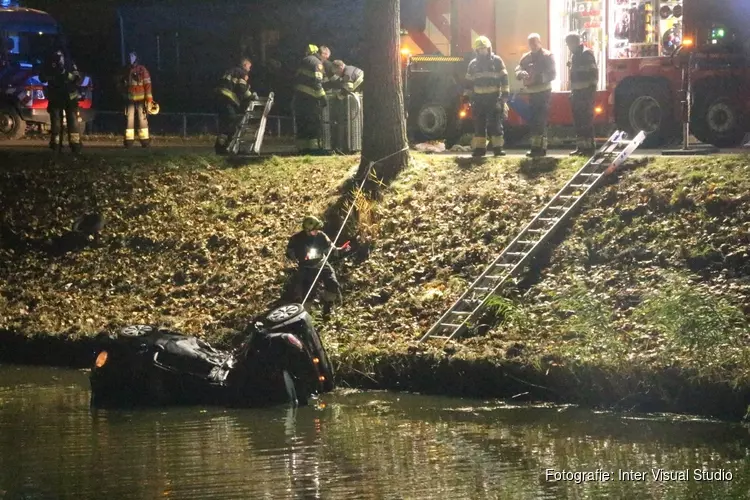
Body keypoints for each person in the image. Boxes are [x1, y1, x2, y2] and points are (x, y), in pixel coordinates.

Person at [285, 216, 350, 317]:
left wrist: (340, 250)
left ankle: (328, 307)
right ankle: (306, 316)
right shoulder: (296, 239)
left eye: (317, 229)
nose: (317, 231)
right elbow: (289, 252)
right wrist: (297, 258)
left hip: (321, 263)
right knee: (308, 292)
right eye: (314, 230)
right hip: (306, 267)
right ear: (307, 230)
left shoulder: (321, 236)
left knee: (332, 282)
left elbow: (330, 248)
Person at [465, 35, 510, 158]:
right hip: (478, 99)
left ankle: (498, 148)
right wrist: (466, 97)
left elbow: (504, 78)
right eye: (480, 49)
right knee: (479, 124)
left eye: (484, 48)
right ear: (476, 50)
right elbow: (469, 82)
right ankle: (480, 149)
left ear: (488, 48)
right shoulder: (473, 64)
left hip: (493, 98)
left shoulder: (497, 61)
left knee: (495, 124)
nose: (482, 51)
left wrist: (504, 96)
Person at [515, 33, 556, 158]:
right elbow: (518, 68)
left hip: (544, 92)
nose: (533, 45)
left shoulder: (547, 56)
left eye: (535, 42)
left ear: (539, 42)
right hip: (532, 93)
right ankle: (535, 147)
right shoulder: (526, 57)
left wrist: (537, 78)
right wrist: (521, 73)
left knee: (540, 120)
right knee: (534, 120)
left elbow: (553, 74)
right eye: (530, 43)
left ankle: (541, 148)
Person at [39, 48, 82, 154]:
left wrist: (65, 74)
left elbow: (77, 78)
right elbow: (43, 77)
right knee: (61, 122)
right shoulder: (53, 63)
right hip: (60, 97)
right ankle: (62, 145)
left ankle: (68, 145)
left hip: (64, 97)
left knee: (66, 121)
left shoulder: (68, 63)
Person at [565, 32, 599, 157]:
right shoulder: (574, 56)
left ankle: (589, 148)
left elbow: (594, 74)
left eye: (569, 44)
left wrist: (590, 92)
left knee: (586, 120)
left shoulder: (586, 54)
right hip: (577, 93)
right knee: (578, 120)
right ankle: (581, 147)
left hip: (585, 93)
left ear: (575, 43)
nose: (568, 47)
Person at [214, 57, 255, 154]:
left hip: (219, 98)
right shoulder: (242, 73)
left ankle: (220, 148)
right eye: (249, 66)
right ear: (245, 65)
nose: (250, 69)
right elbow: (241, 88)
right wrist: (251, 96)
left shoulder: (230, 71)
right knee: (232, 122)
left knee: (225, 122)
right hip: (228, 99)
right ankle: (223, 148)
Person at [294, 44, 327, 154]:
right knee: (313, 123)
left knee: (302, 123)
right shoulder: (317, 63)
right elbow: (317, 82)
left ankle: (302, 149)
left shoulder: (303, 61)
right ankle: (314, 149)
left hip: (299, 98)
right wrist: (323, 97)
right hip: (310, 99)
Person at [119, 51, 153, 148]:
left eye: (132, 57)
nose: (130, 59)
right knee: (129, 119)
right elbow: (121, 84)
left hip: (141, 100)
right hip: (130, 99)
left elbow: (148, 86)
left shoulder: (142, 70)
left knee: (142, 119)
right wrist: (123, 93)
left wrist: (149, 100)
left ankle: (144, 141)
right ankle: (129, 142)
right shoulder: (126, 70)